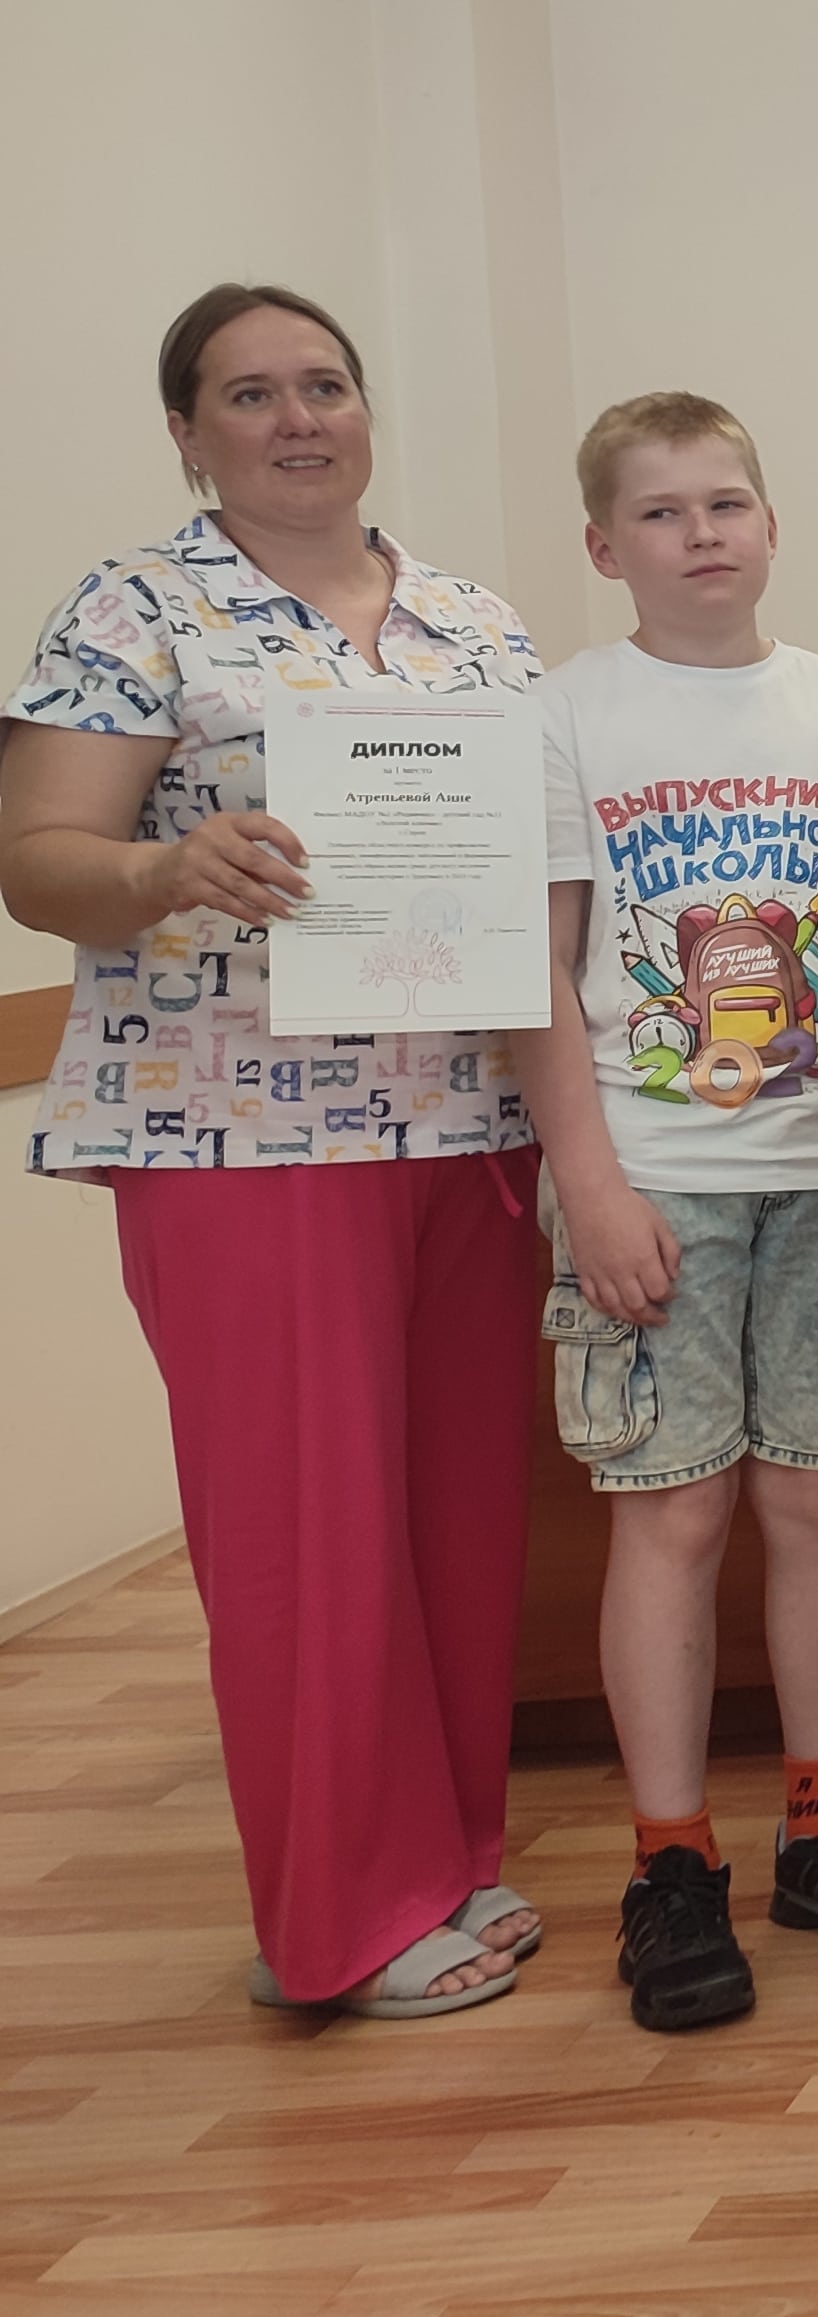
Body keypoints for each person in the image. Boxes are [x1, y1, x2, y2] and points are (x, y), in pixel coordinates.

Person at [0, 283, 545, 2019]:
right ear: (187, 431)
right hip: (240, 1133)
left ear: (366, 409)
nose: (298, 419)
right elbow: (39, 859)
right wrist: (166, 868)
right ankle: (341, 1919)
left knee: (455, 1515)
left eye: (324, 384)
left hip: (466, 1121)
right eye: (251, 394)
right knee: (305, 1531)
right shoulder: (134, 608)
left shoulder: (473, 620)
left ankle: (446, 1856)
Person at [515, 394, 818, 2033]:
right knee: (675, 1514)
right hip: (653, 1179)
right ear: (602, 547)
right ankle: (671, 1854)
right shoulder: (566, 713)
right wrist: (591, 1184)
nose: (699, 533)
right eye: (660, 512)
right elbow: (538, 969)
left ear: (772, 525)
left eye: (725, 503)